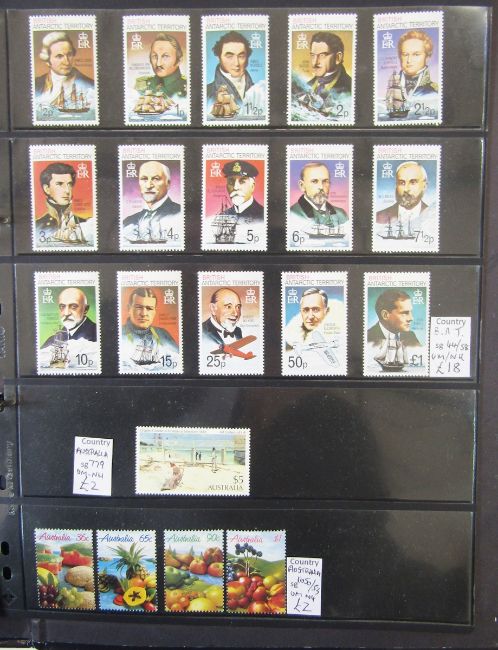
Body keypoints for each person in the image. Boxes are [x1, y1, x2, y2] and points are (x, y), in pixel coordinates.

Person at [122, 160, 181, 243]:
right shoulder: (127, 222)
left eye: (156, 179)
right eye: (144, 179)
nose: (148, 185)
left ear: (168, 183)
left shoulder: (180, 214)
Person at [121, 287, 178, 365]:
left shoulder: (163, 334)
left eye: (149, 308)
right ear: (129, 309)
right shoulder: (119, 334)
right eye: (139, 307)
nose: (144, 314)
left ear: (154, 311)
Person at [35, 31, 94, 104]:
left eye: (69, 54)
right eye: (59, 56)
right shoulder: (36, 84)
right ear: (47, 60)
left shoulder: (90, 86)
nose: (67, 62)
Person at [36, 162, 88, 244]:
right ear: (47, 189)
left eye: (69, 184)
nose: (67, 190)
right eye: (60, 184)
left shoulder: (85, 224)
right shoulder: (37, 226)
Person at [376, 161, 433, 231]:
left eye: (413, 182)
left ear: (424, 186)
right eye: (402, 183)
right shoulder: (378, 218)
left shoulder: (433, 216)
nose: (406, 189)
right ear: (396, 186)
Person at [290, 162, 348, 228]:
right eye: (314, 181)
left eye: (325, 181)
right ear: (302, 186)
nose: (321, 187)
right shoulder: (292, 214)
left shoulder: (341, 215)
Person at [207, 31, 254, 105]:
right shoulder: (206, 93)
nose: (236, 63)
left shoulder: (261, 90)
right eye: (229, 56)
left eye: (241, 56)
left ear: (247, 57)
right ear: (218, 57)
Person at [135, 32, 187, 99]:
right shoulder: (141, 86)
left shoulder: (187, 86)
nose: (158, 63)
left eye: (165, 56)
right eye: (155, 56)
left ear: (179, 61)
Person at [305, 32, 351, 100]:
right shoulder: (308, 85)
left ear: (338, 58)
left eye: (322, 55)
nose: (314, 63)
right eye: (313, 55)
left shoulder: (349, 88)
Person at [397, 30, 438, 97]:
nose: (409, 60)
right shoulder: (391, 87)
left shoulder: (434, 91)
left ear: (427, 57)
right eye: (405, 54)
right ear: (400, 57)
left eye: (416, 54)